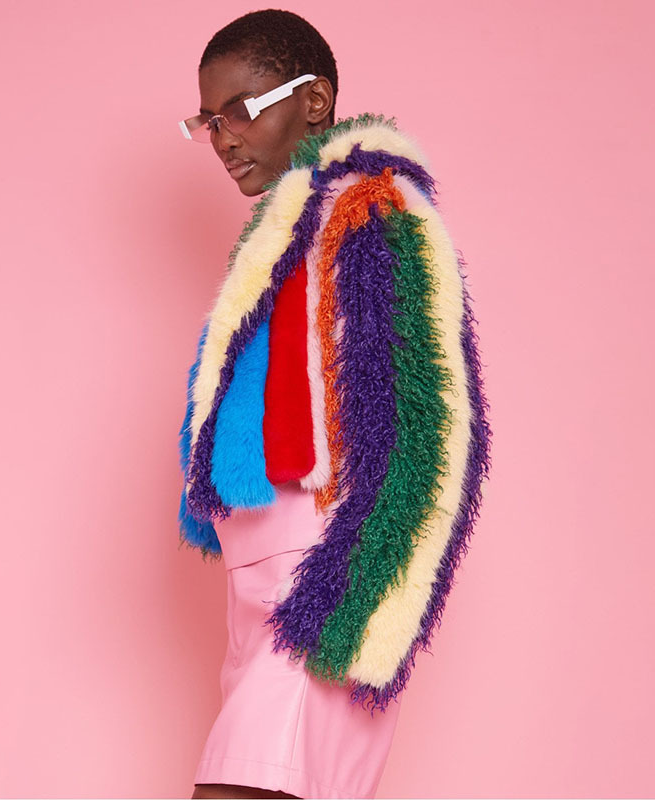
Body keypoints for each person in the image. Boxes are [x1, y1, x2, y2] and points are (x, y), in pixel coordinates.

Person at [176, 9, 493, 800]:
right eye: (209, 121)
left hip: (319, 578)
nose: (223, 139)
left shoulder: (370, 212)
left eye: (241, 111)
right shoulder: (286, 233)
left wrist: (355, 594)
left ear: (313, 100)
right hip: (256, 575)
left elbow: (430, 419)